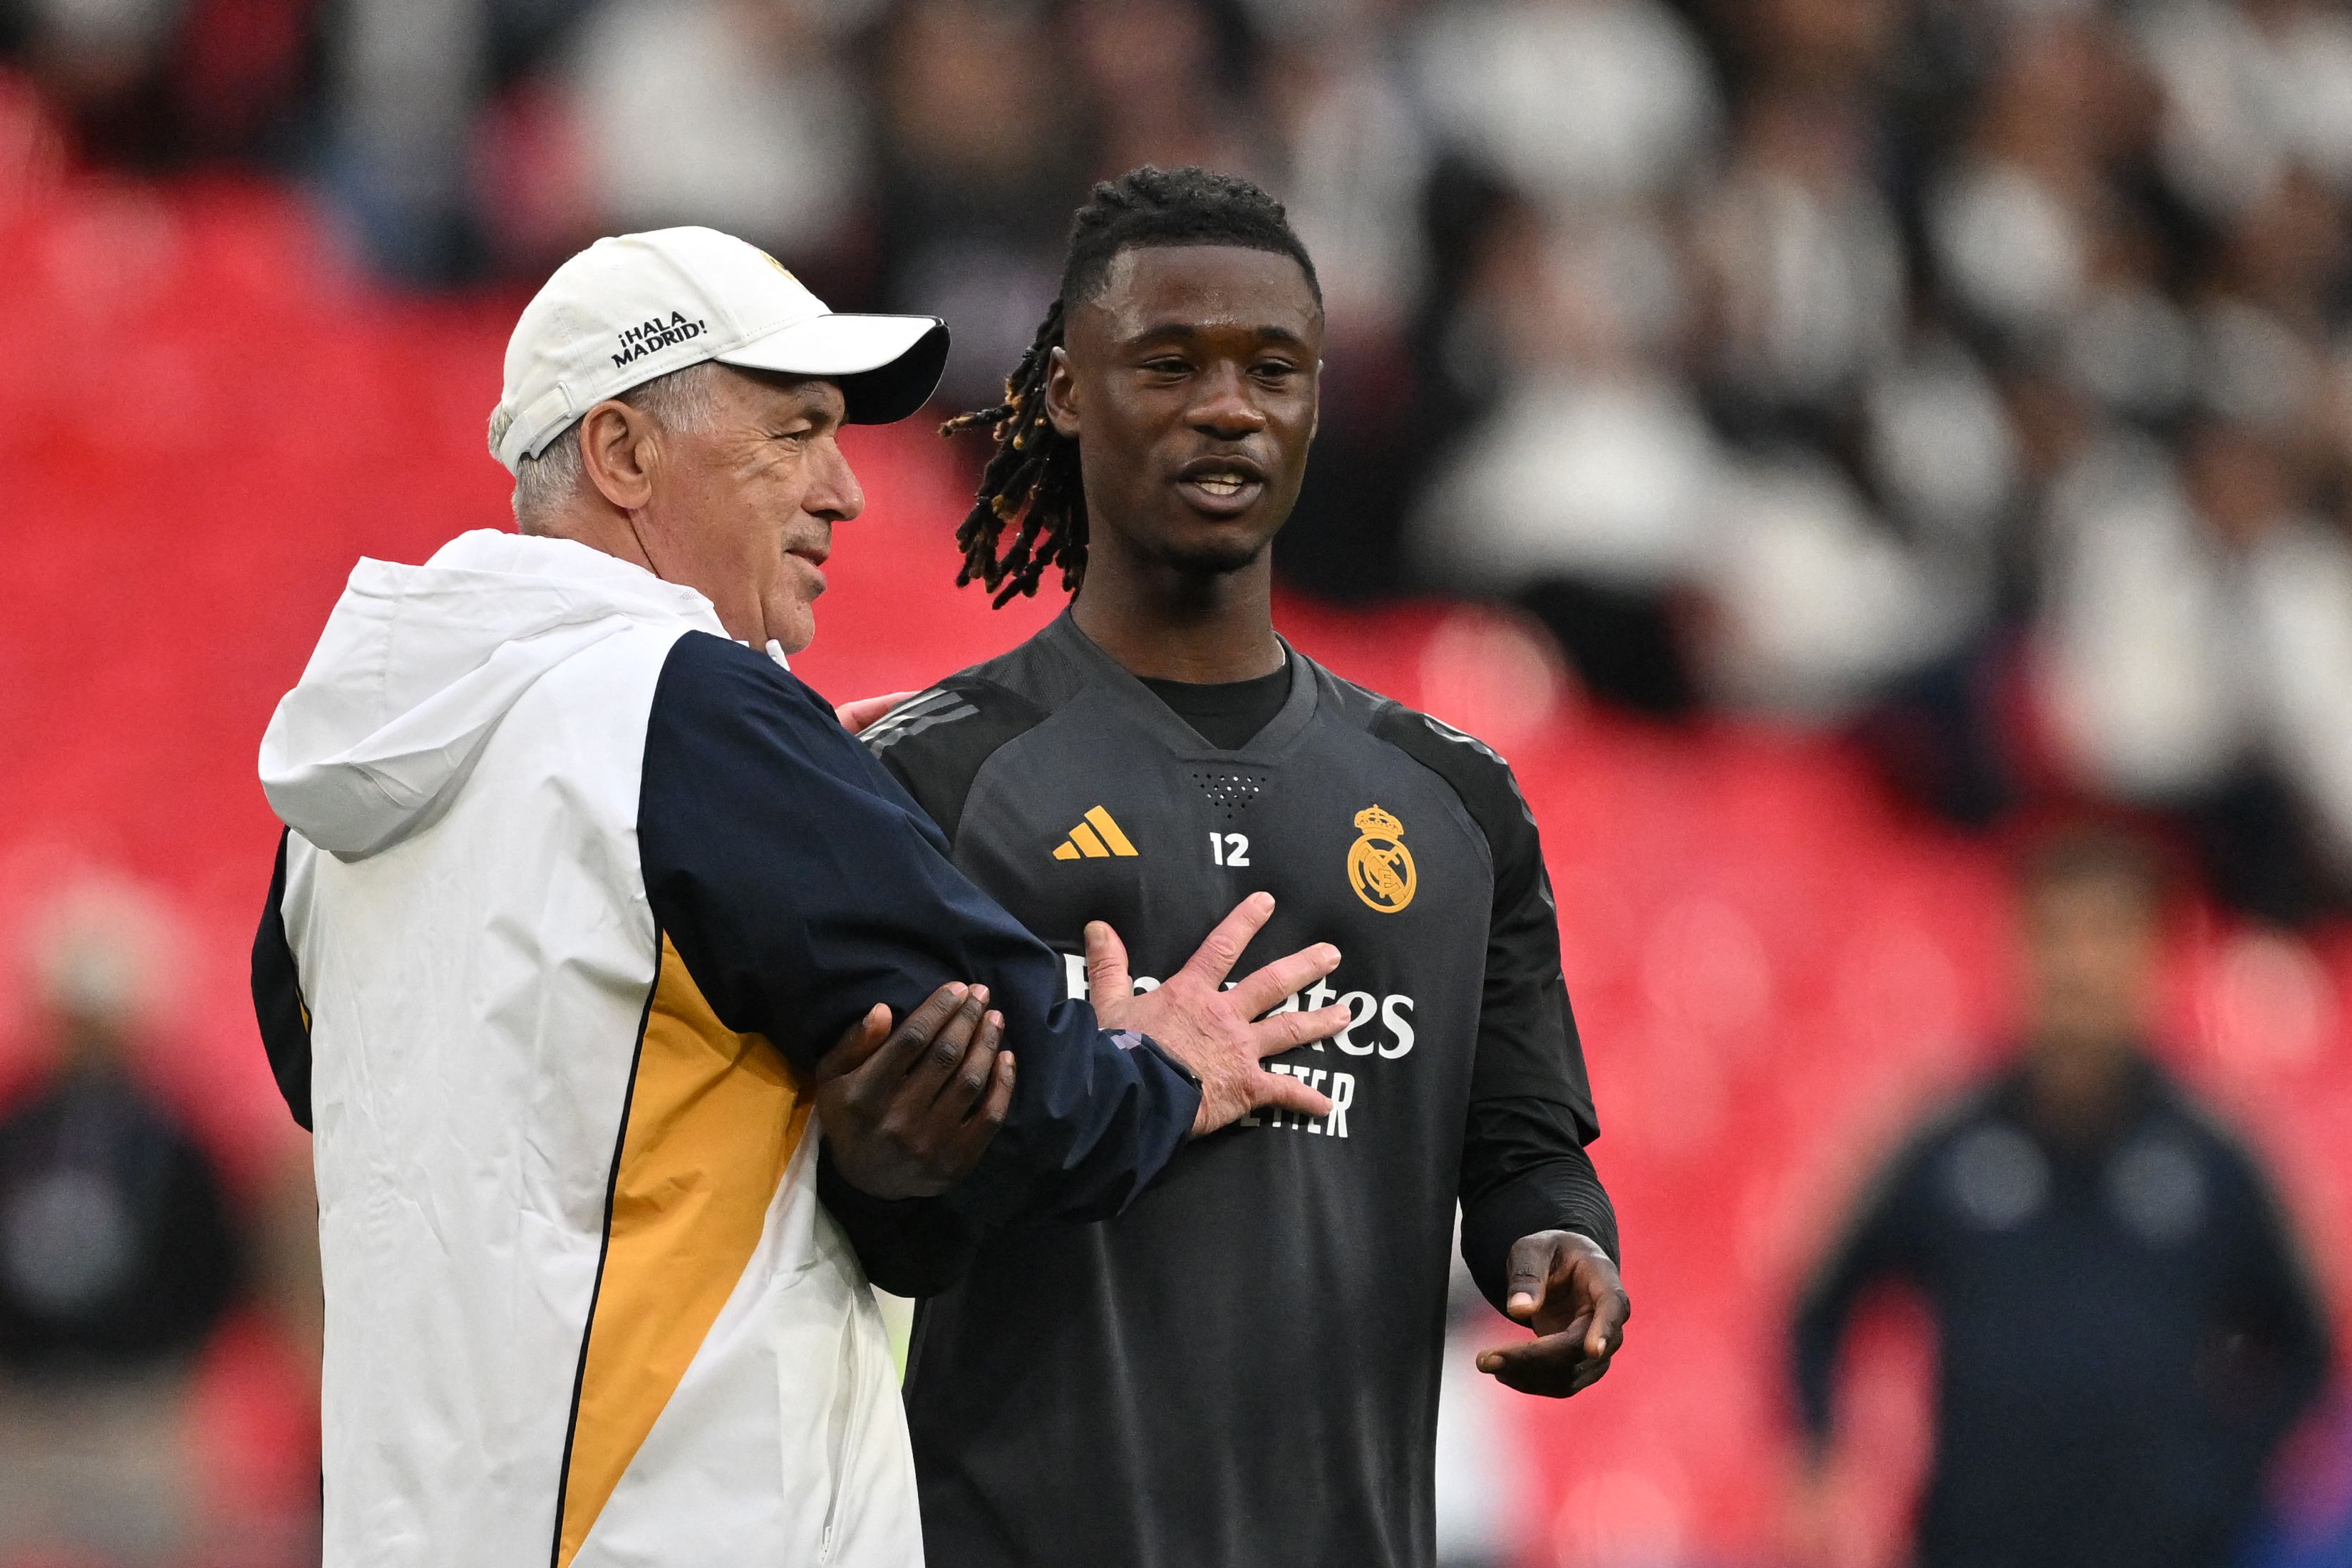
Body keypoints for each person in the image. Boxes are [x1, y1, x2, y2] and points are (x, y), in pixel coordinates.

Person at [248, 225, 1351, 1568]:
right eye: (794, 432)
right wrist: (1167, 1065)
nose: (846, 491)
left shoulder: (355, 778)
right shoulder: (691, 715)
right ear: (623, 454)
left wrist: (758, 815)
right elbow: (1029, 1083)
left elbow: (364, 1086)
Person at [832, 167, 1629, 1568]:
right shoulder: (931, 779)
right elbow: (882, 1217)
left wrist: (1562, 1253)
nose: (1227, 404)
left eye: (1274, 367)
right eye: (1168, 361)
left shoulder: (1458, 803)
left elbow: (1526, 1152)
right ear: (1068, 391)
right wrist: (1042, 1104)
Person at [1790, 829, 2333, 1568]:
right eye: (2056, 936)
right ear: (2017, 949)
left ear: (2151, 959)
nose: (2079, 967)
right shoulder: (1946, 1140)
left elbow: (2306, 1339)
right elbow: (1821, 1304)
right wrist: (1821, 1452)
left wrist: (2228, 1477)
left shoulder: (2214, 1155)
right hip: (1974, 1544)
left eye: (2105, 937)